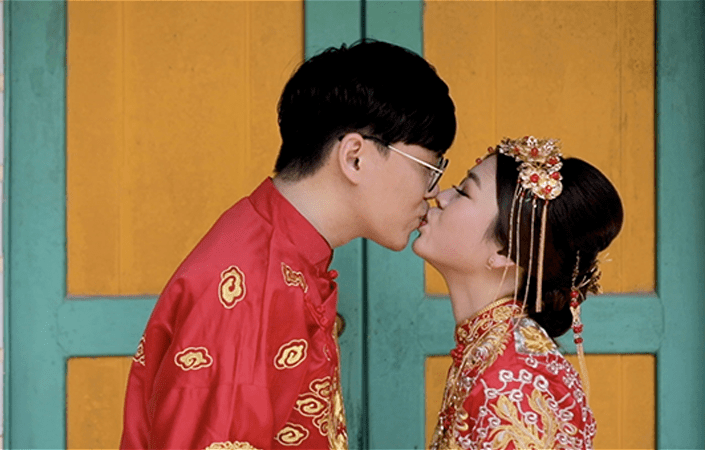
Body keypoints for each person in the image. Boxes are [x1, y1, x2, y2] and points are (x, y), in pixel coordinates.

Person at [120, 40, 456, 450]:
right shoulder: (253, 287)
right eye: (429, 168)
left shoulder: (276, 251)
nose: (433, 193)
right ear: (355, 157)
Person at [414, 136, 623, 450]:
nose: (440, 197)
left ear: (505, 251)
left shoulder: (511, 378)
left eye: (463, 192)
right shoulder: (491, 350)